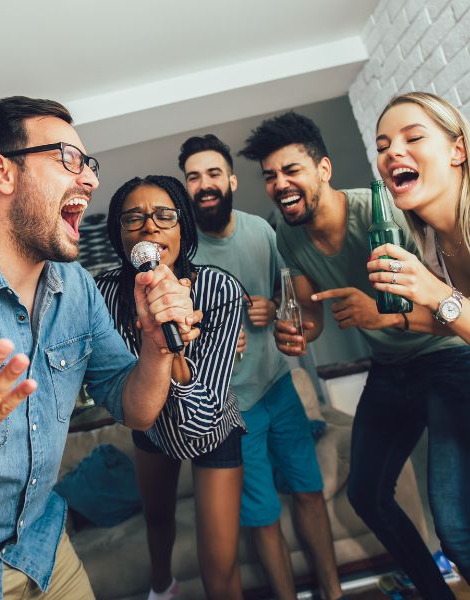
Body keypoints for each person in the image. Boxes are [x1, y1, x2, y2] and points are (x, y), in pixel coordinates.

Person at [0, 96, 197, 600]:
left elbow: (135, 408)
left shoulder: (78, 288)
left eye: (90, 165)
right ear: (2, 172)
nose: (89, 179)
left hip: (44, 553)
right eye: (69, 159)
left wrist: (156, 349)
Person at [239, 110, 469, 598]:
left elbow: (452, 310)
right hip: (391, 370)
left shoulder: (384, 212)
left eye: (291, 170)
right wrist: (296, 332)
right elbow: (313, 313)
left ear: (323, 169)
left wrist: (382, 316)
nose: (280, 184)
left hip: (448, 359)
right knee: (368, 495)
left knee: (454, 525)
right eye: (270, 176)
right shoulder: (289, 236)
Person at [178, 135, 345, 600]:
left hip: (278, 388)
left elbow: (291, 300)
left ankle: (334, 593)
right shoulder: (182, 257)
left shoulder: (263, 232)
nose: (204, 184)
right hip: (231, 410)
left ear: (231, 180)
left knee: (309, 492)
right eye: (193, 177)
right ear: (186, 188)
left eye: (213, 174)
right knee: (264, 514)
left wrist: (273, 307)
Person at [96, 174, 245, 600]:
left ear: (183, 227)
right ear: (119, 235)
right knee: (157, 520)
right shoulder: (102, 295)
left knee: (220, 567)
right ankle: (162, 589)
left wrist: (170, 346)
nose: (149, 226)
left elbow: (202, 417)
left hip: (213, 429)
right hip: (151, 427)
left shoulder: (220, 290)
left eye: (165, 215)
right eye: (133, 219)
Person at [368, 91, 470, 345]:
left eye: (413, 137)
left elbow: (447, 305)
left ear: (457, 151)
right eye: (383, 146)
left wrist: (436, 293)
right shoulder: (431, 242)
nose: (392, 152)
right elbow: (455, 322)